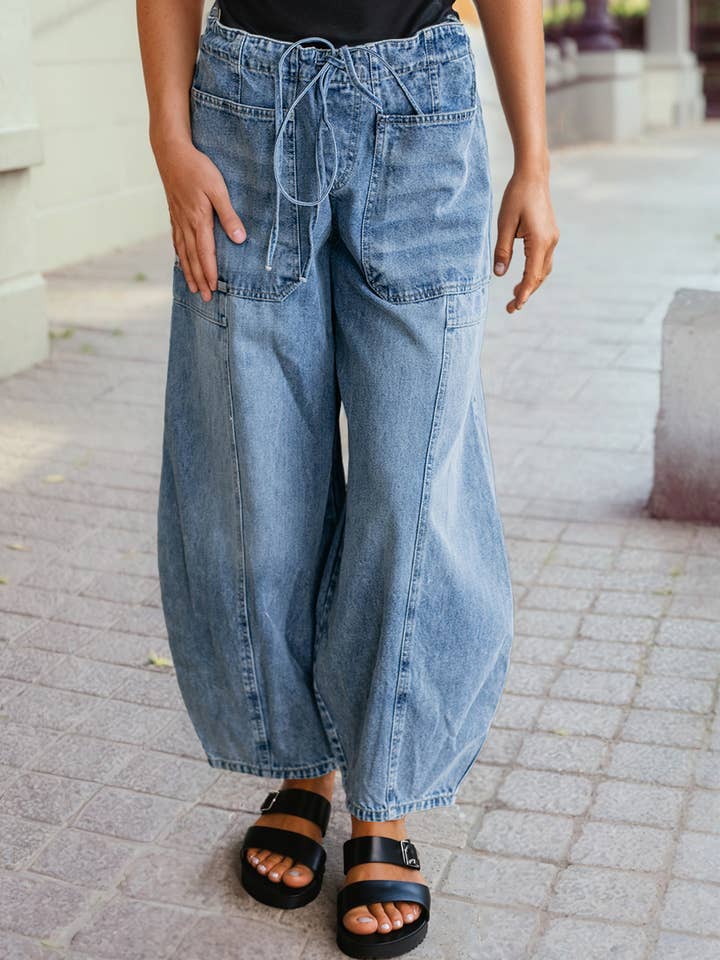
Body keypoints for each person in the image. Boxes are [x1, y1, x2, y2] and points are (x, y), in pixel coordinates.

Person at [138, 0, 558, 955]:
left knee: (412, 496)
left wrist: (535, 157)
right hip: (243, 114)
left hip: (421, 115)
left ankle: (386, 799)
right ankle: (306, 767)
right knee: (260, 490)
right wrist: (168, 133)